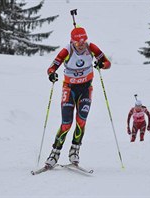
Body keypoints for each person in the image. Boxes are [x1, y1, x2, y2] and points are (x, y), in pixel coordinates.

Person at [44, 26, 111, 168]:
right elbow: (52, 67)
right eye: (78, 42)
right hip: (69, 89)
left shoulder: (91, 47)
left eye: (83, 41)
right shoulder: (67, 50)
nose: (81, 44)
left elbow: (107, 63)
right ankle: (54, 153)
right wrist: (52, 74)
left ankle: (74, 151)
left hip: (86, 89)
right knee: (66, 123)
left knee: (81, 121)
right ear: (72, 41)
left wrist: (101, 64)